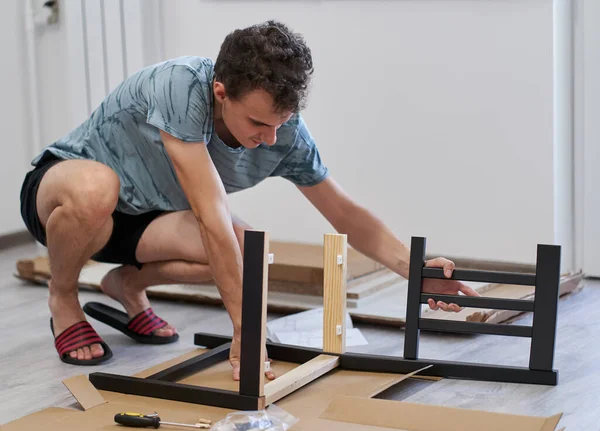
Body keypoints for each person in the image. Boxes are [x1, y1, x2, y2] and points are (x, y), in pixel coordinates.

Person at [19, 20, 479, 377]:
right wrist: (246, 329)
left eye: (282, 121)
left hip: (143, 222)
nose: (271, 137)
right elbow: (211, 216)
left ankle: (128, 285)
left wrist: (414, 272)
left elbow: (345, 214)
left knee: (250, 249)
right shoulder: (182, 87)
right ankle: (64, 299)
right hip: (64, 199)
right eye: (259, 123)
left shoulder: (286, 135)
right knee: (99, 189)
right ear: (221, 93)